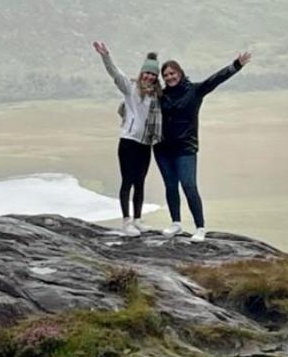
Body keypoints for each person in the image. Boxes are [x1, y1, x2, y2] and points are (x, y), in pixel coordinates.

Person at [155, 51, 252, 242]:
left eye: (172, 73)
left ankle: (200, 227)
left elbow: (215, 80)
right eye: (165, 75)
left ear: (180, 73)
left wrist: (236, 65)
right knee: (170, 186)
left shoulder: (195, 90)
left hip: (185, 148)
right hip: (163, 149)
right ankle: (176, 223)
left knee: (189, 185)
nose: (169, 77)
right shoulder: (161, 96)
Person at [92, 41, 162, 236]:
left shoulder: (157, 97)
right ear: (142, 73)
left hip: (145, 143)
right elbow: (115, 73)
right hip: (129, 142)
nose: (149, 76)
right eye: (147, 73)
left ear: (156, 78)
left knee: (140, 181)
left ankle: (138, 220)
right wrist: (105, 55)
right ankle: (126, 222)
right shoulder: (130, 88)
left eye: (153, 75)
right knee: (127, 181)